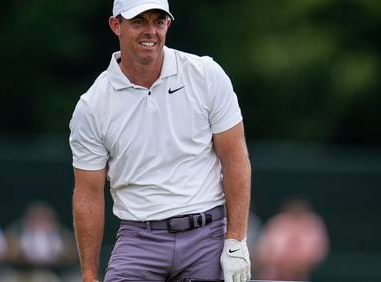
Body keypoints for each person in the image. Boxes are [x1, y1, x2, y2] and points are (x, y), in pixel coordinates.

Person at [68, 0, 251, 281]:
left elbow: (235, 158)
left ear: (168, 25)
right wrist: (89, 275)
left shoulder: (205, 75)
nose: (150, 31)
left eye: (158, 21)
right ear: (116, 25)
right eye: (139, 21)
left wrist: (236, 241)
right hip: (138, 239)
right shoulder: (93, 105)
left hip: (207, 235)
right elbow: (88, 193)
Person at [0, 201, 78, 282]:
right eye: (37, 218)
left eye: (44, 219)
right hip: (21, 272)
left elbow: (73, 254)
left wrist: (57, 251)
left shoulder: (61, 233)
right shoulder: (17, 231)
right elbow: (5, 254)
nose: (40, 223)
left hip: (53, 273)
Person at [254, 198, 329, 280]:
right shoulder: (277, 222)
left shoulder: (313, 223)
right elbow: (262, 250)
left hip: (301, 275)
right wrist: (279, 263)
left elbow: (319, 252)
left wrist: (298, 264)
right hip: (272, 275)